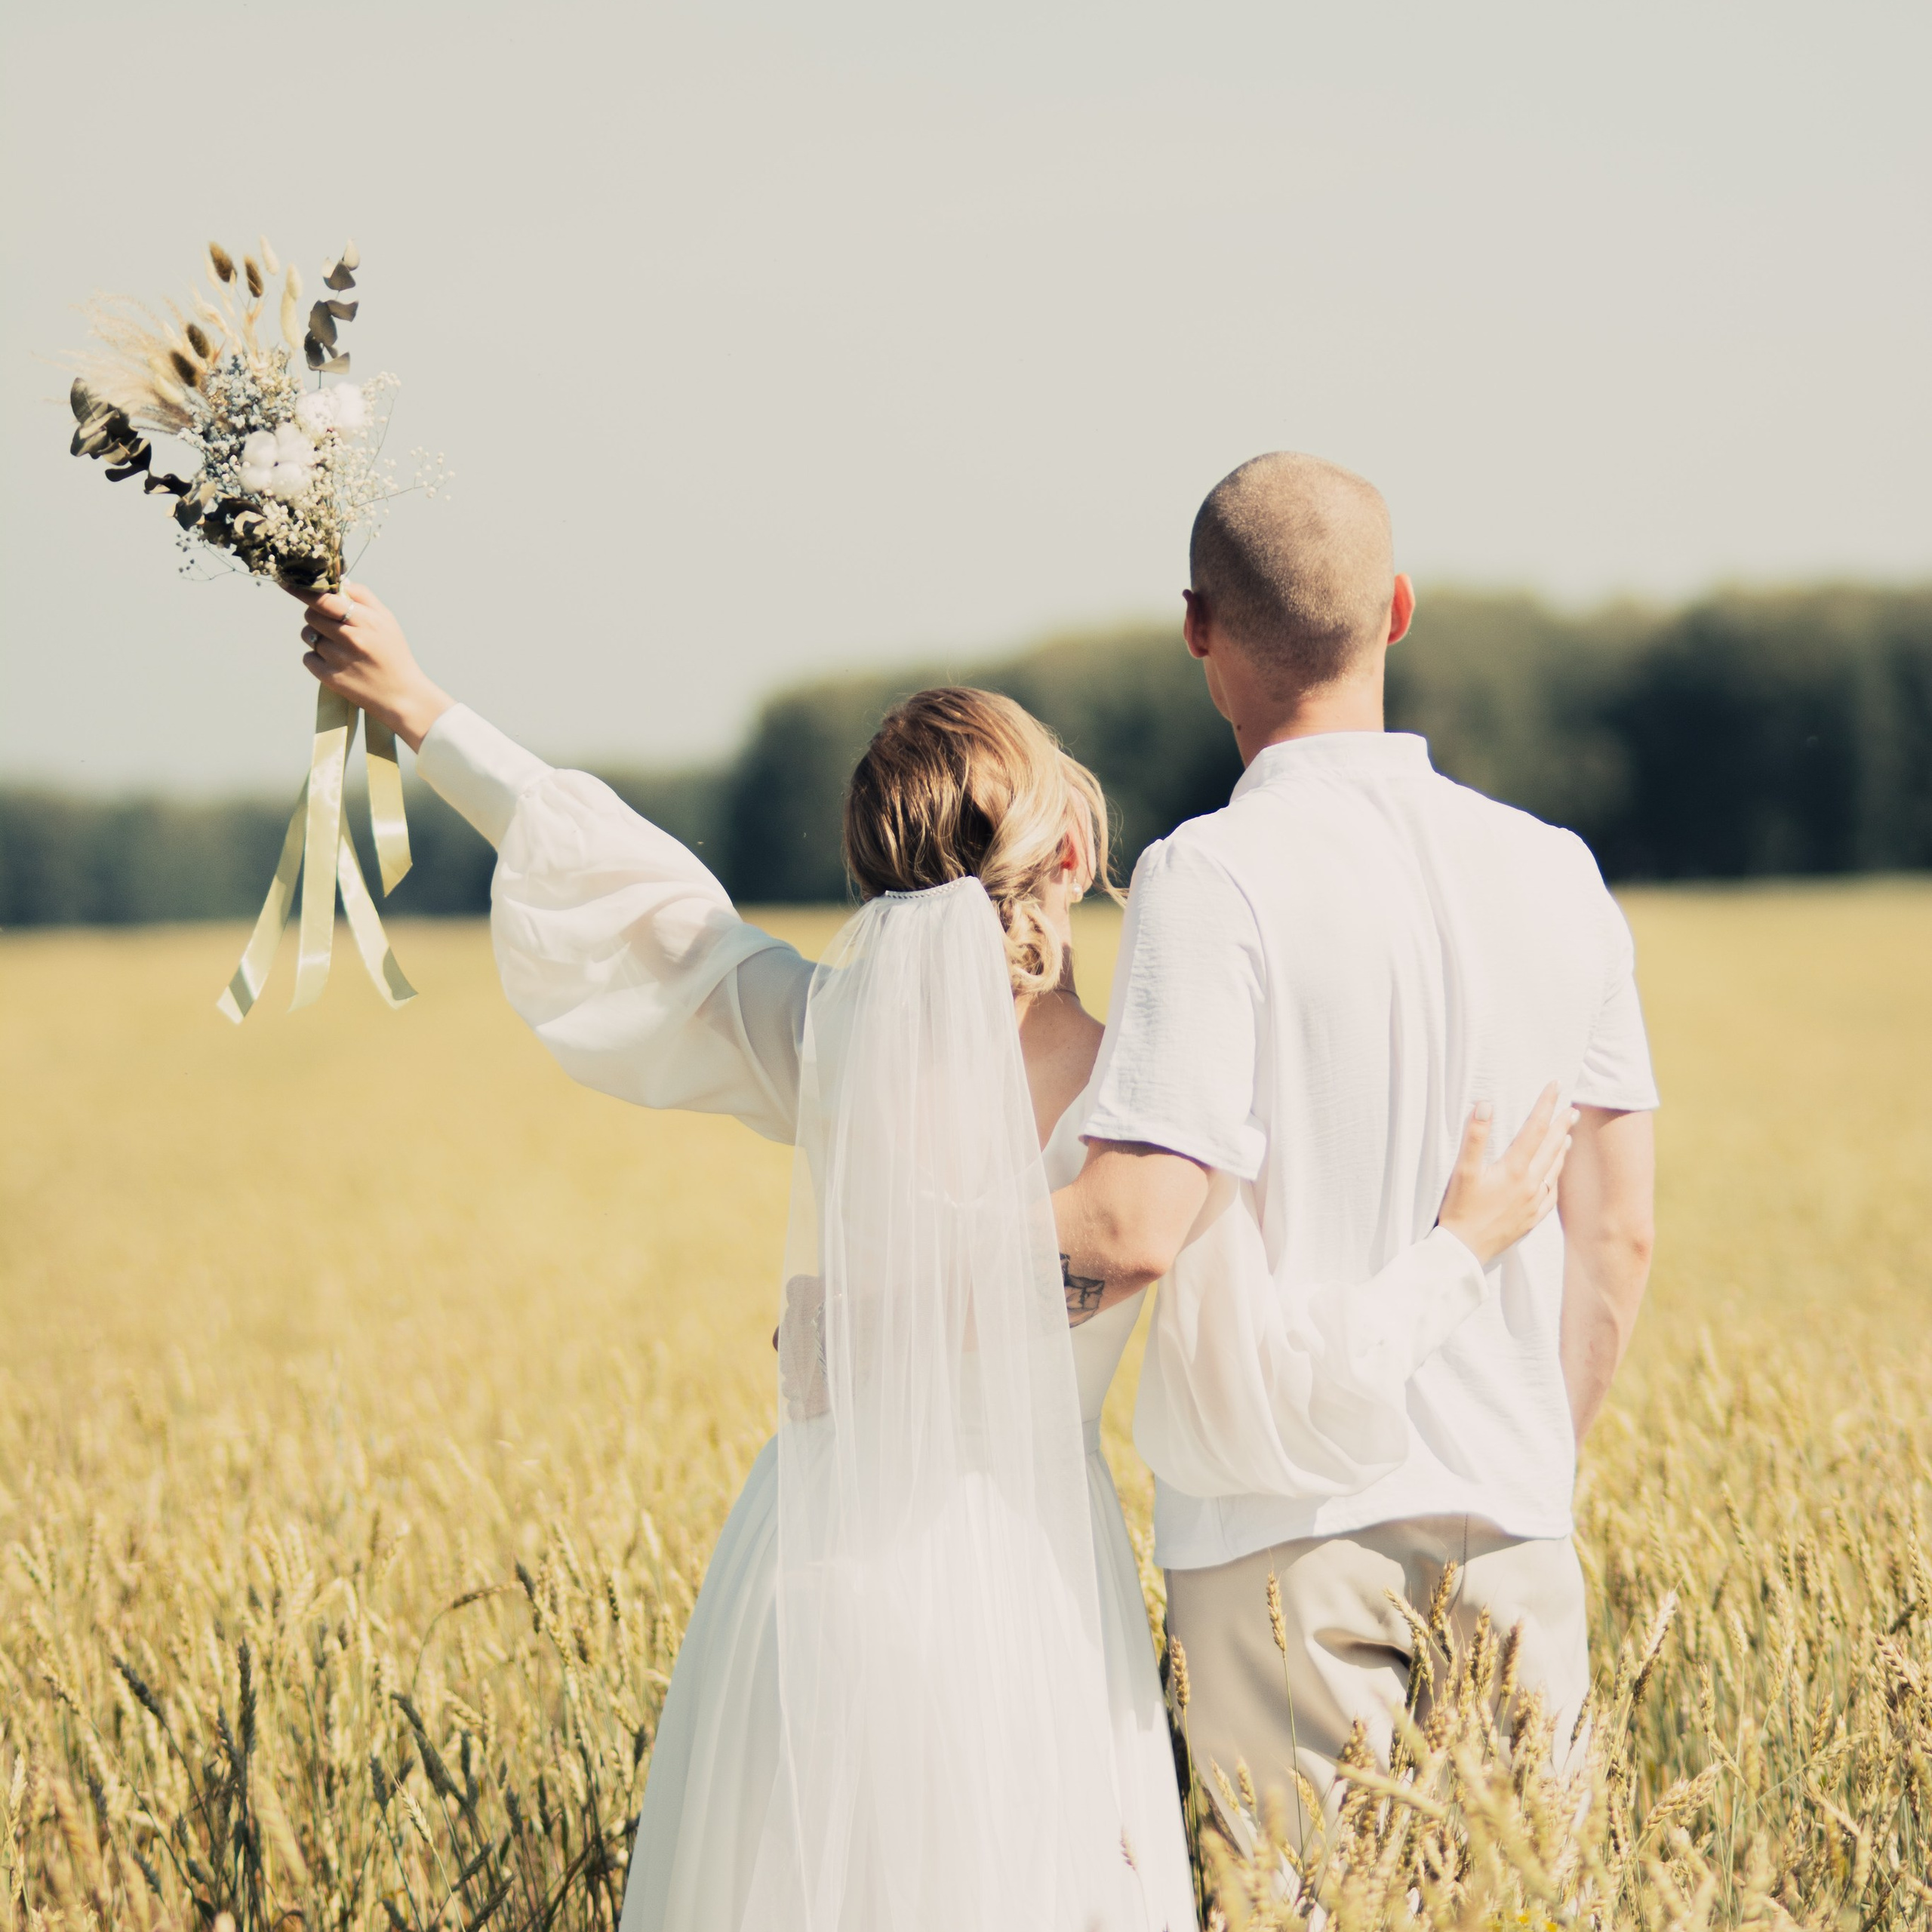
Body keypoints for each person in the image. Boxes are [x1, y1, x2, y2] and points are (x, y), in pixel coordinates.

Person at [290, 579, 1574, 1924]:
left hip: (813, 1562)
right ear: (1073, 853)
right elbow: (1280, 1362)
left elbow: (644, 915)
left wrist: (424, 708)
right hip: (1024, 1587)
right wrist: (1463, 1246)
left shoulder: (835, 1041)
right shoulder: (1156, 1099)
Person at [1052, 451, 1660, 1836]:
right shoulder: (1557, 868)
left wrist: (897, 1280)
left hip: (1284, 1542)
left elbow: (1138, 1226)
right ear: (1396, 610)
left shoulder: (1207, 875)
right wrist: (1515, 1456)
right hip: (1515, 1524)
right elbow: (1615, 1230)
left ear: (1199, 626)